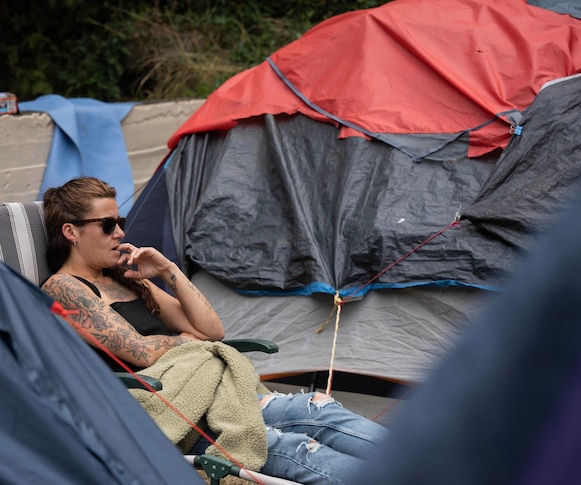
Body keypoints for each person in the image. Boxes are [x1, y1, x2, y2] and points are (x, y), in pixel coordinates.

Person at [40, 176, 387, 485]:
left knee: (316, 407)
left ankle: (422, 463)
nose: (120, 233)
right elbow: (140, 352)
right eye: (108, 225)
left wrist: (167, 269)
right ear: (71, 232)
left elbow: (211, 330)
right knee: (294, 446)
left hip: (209, 397)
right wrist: (184, 341)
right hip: (163, 412)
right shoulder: (64, 288)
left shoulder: (126, 279)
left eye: (121, 222)